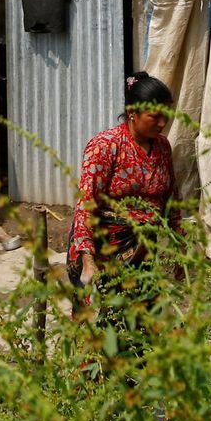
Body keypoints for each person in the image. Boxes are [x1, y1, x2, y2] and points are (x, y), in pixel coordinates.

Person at [69, 73, 178, 308]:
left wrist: (180, 243)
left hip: (142, 251)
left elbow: (171, 197)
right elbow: (86, 204)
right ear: (132, 114)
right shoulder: (106, 146)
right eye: (155, 116)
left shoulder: (162, 146)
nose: (163, 123)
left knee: (140, 322)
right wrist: (88, 259)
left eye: (166, 115)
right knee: (105, 323)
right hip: (104, 250)